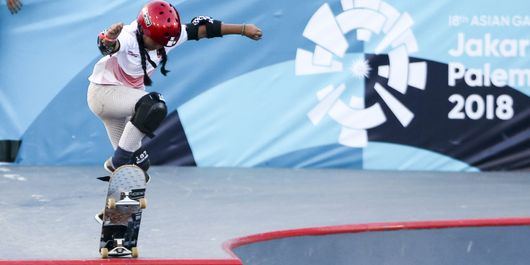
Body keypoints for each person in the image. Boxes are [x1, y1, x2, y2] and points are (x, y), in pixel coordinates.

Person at [87, 0, 262, 173]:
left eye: (163, 42)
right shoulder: (128, 35)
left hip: (122, 102)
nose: (159, 46)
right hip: (103, 94)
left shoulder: (167, 38)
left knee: (139, 164)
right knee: (153, 105)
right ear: (142, 30)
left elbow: (204, 30)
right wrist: (109, 39)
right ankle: (117, 162)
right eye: (154, 40)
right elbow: (109, 46)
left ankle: (124, 197)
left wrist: (243, 29)